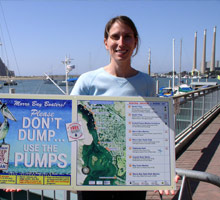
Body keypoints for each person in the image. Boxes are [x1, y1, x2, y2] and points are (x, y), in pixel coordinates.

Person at [71, 15, 177, 200]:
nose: (121, 42)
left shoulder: (147, 83)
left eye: (127, 36)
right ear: (106, 42)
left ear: (135, 42)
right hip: (93, 180)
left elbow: (156, 133)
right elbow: (66, 125)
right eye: (115, 36)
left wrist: (164, 173)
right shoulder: (87, 81)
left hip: (133, 180)